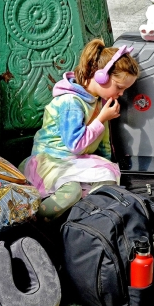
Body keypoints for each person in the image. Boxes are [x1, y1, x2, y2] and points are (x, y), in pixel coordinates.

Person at [19, 40, 139, 221]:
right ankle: (32, 218)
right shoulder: (71, 102)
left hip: (74, 162)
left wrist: (105, 164)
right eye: (119, 87)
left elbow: (103, 141)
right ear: (101, 77)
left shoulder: (98, 101)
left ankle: (84, 219)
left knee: (107, 178)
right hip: (50, 161)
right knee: (72, 190)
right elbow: (75, 145)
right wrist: (101, 119)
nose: (121, 93)